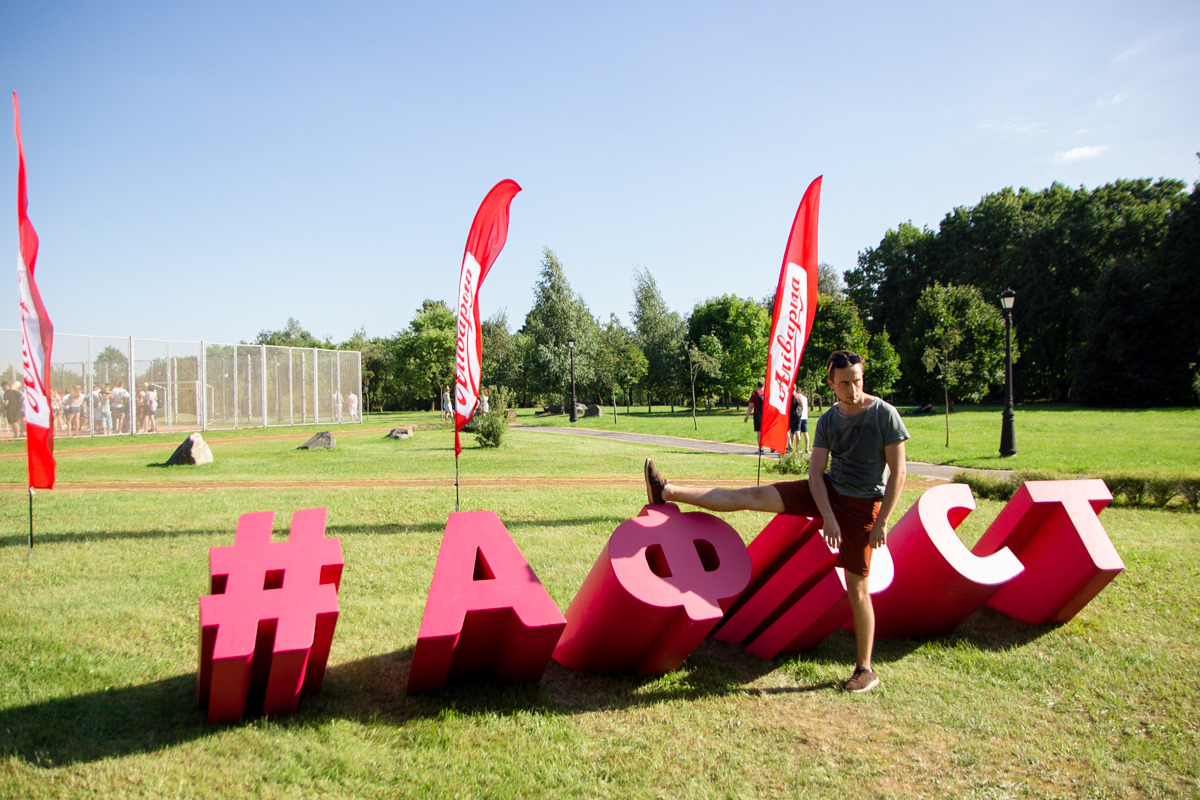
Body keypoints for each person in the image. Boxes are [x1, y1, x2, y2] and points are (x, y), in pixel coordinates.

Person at [643, 350, 909, 694]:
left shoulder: (884, 414)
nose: (853, 389)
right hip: (826, 491)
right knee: (751, 496)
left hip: (863, 506)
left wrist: (882, 522)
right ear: (831, 384)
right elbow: (815, 473)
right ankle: (666, 491)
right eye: (844, 383)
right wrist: (827, 514)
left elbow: (899, 474)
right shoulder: (829, 419)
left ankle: (865, 669)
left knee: (857, 586)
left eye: (857, 380)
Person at [743, 380, 765, 454]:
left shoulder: (754, 394)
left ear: (757, 386)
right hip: (766, 414)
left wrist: (747, 416)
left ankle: (760, 448)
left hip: (758, 414)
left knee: (759, 431)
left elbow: (750, 406)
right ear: (763, 386)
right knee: (765, 431)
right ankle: (771, 447)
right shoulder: (767, 394)